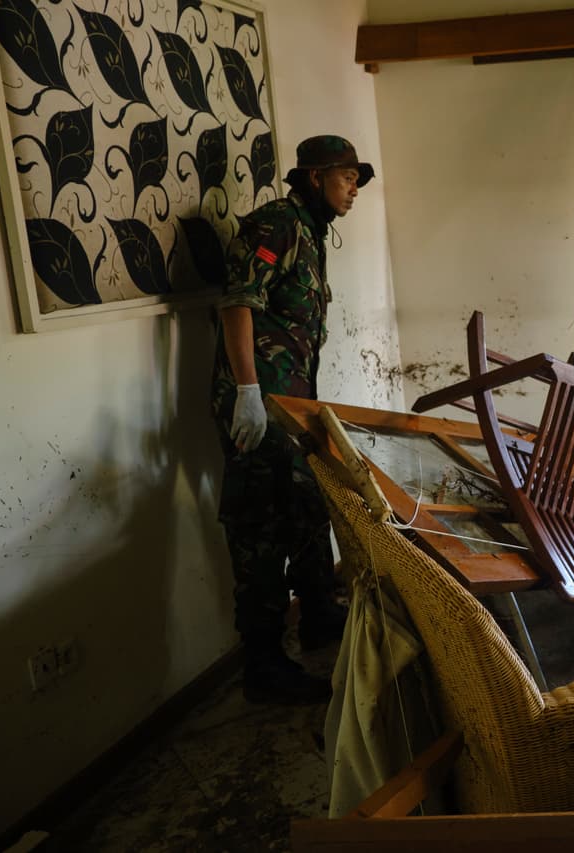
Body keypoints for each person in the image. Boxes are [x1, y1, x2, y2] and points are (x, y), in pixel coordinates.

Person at [210, 135, 374, 704]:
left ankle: (320, 618)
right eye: (346, 176)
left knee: (307, 508)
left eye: (356, 178)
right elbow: (238, 304)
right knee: (260, 528)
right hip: (260, 403)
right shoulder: (276, 224)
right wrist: (249, 391)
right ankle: (263, 666)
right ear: (313, 177)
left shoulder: (310, 230)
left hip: (294, 402)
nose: (354, 187)